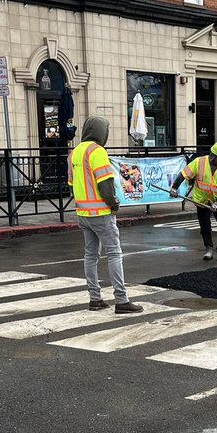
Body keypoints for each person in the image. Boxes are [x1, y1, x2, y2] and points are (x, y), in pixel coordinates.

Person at [68, 116, 143, 313]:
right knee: (114, 253)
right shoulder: (97, 151)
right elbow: (106, 185)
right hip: (101, 212)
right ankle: (121, 300)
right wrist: (114, 204)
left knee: (90, 255)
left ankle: (95, 299)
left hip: (82, 212)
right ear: (102, 133)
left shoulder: (74, 152)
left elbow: (71, 185)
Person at [170, 141, 217, 262]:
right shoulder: (199, 162)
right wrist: (174, 187)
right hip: (202, 201)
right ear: (213, 157)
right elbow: (184, 174)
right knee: (205, 226)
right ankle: (209, 249)